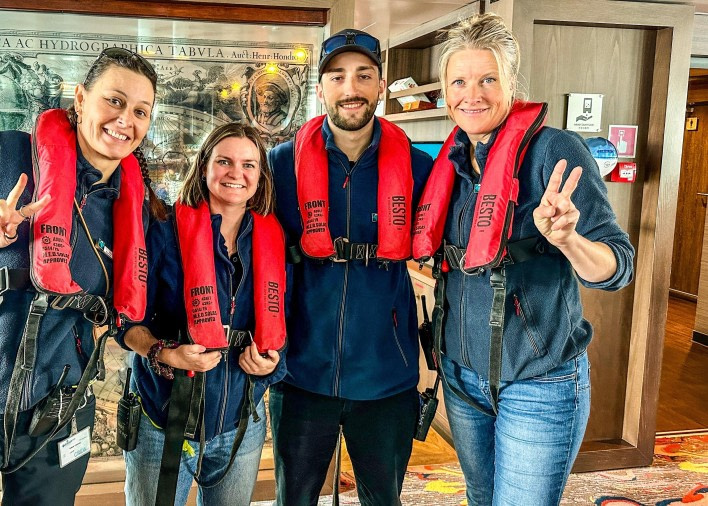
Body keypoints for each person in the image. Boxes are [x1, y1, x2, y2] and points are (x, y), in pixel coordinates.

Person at [0, 47, 163, 505]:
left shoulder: (139, 210)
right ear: (80, 99)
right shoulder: (7, 154)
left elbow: (131, 310)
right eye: (114, 101)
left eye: (141, 110)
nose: (126, 120)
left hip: (57, 413)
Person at [411, 13, 634, 505]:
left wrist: (570, 239)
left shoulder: (556, 151)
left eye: (488, 79)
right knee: (481, 497)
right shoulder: (449, 162)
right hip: (463, 378)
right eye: (460, 81)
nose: (473, 94)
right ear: (445, 91)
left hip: (540, 383)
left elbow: (618, 267)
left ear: (511, 82)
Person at [268, 29, 434, 504]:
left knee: (383, 498)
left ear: (381, 85)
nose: (350, 88)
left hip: (387, 374)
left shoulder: (419, 168)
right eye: (337, 76)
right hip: (300, 372)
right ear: (321, 88)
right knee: (293, 499)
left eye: (363, 75)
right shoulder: (279, 165)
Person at [117, 123, 288, 506]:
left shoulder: (272, 240)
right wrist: (164, 352)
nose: (236, 174)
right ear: (204, 165)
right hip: (162, 419)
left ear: (261, 177)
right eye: (224, 161)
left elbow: (286, 324)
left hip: (240, 424)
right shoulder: (162, 230)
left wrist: (271, 365)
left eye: (249, 165)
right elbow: (126, 323)